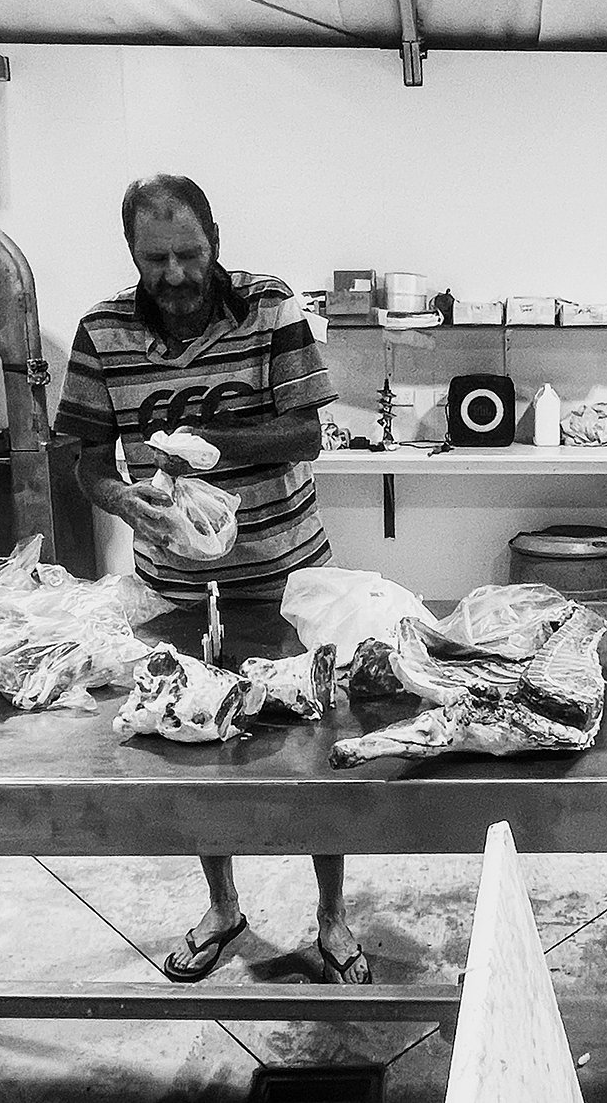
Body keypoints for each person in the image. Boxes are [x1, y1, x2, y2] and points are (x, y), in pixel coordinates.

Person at [54, 174, 371, 986]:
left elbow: (305, 430)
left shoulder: (269, 308)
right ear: (132, 253)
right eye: (154, 257)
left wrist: (200, 447)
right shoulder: (102, 331)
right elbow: (89, 463)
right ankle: (224, 905)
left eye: (189, 253)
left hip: (288, 577)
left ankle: (332, 915)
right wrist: (133, 503)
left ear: (216, 239)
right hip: (175, 587)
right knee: (193, 741)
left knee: (315, 748)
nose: (174, 274)